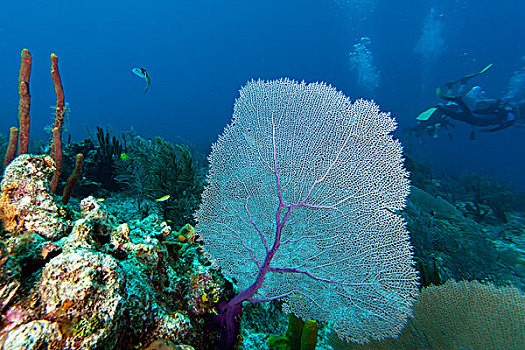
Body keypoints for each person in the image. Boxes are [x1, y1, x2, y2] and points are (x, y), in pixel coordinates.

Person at [413, 64, 520, 140]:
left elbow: (443, 123)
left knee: (458, 103)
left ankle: (458, 86)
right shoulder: (506, 116)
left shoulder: (505, 115)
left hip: (474, 117)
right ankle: (456, 87)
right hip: (474, 117)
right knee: (457, 102)